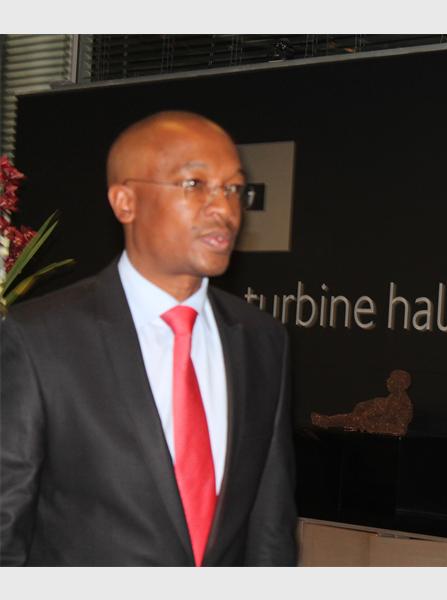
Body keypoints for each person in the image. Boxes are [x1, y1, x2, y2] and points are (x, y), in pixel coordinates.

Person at [0, 111, 297, 566]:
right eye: (195, 185)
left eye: (234, 189)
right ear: (125, 202)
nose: (224, 209)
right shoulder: (40, 340)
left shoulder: (262, 340)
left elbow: (270, 527)